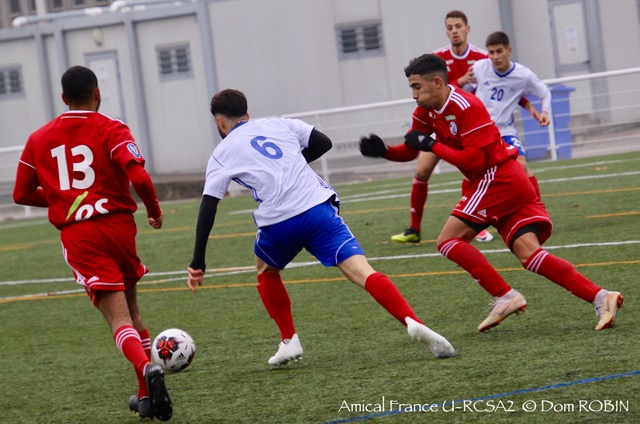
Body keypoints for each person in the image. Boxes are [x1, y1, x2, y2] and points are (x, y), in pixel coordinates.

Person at [186, 88, 456, 366]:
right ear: (247, 113)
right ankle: (412, 319)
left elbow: (208, 205)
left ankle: (289, 340)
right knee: (363, 272)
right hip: (318, 209)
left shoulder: (221, 153)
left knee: (266, 269)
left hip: (279, 221)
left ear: (219, 122)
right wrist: (293, 164)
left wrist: (198, 262)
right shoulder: (280, 123)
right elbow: (323, 142)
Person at [361, 54, 623, 333]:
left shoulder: (467, 106)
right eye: (412, 88)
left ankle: (505, 295)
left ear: (437, 82)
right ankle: (601, 297)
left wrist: (432, 145)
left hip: (496, 178)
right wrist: (385, 152)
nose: (414, 95)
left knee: (448, 241)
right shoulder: (424, 112)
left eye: (417, 87)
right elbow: (412, 148)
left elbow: (474, 161)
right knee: (529, 255)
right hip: (503, 181)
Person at [13, 66, 172, 421]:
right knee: (133, 311)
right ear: (97, 93)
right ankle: (145, 397)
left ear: (63, 98)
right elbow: (138, 176)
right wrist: (154, 210)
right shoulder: (111, 127)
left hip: (81, 234)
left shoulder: (39, 138)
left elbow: (21, 193)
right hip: (119, 227)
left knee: (118, 320)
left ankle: (147, 368)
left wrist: (61, 198)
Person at [383, 10, 534, 245]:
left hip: (472, 126)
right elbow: (440, 93)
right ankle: (414, 228)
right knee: (422, 171)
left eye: (458, 26)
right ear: (446, 32)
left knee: (486, 168)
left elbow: (506, 86)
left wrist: (530, 106)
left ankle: (485, 218)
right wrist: (382, 150)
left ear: (467, 29)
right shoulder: (436, 59)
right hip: (442, 125)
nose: (454, 31)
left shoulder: (482, 58)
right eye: (449, 27)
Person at [472, 31, 549, 198]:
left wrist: (544, 111)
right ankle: (476, 214)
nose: (495, 57)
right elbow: (464, 90)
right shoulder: (480, 67)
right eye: (491, 52)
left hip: (504, 130)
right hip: (480, 131)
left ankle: (538, 209)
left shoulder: (523, 75)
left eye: (499, 51)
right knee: (473, 173)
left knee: (521, 165)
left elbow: (544, 93)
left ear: (509, 51)